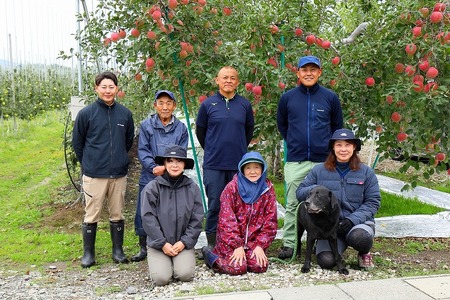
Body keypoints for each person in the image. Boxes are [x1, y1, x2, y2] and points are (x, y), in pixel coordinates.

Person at [276, 55, 343, 259]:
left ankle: (321, 241)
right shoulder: (287, 98)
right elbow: (283, 126)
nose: (309, 73)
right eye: (304, 70)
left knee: (325, 202)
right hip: (296, 160)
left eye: (313, 69)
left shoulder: (329, 98)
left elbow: (336, 127)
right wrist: (295, 143)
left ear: (320, 72)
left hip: (323, 161)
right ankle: (290, 244)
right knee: (293, 203)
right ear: (298, 73)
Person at [72, 71, 135, 268]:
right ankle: (88, 254)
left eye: (111, 87)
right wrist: (90, 163)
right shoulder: (86, 114)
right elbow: (78, 143)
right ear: (96, 88)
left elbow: (127, 142)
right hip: (94, 174)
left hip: (118, 174)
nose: (108, 91)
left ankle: (118, 251)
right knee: (92, 214)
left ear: (117, 89)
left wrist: (119, 159)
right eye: (104, 87)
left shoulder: (125, 114)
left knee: (117, 213)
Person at [296, 128, 381, 269]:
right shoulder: (318, 170)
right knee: (326, 261)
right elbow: (299, 193)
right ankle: (333, 249)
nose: (343, 149)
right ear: (333, 148)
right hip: (329, 226)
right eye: (339, 145)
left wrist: (352, 219)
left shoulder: (366, 172)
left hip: (356, 224)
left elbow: (373, 202)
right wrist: (316, 189)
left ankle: (363, 253)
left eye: (347, 145)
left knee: (360, 238)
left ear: (354, 147)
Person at [196, 66, 255, 248]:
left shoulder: (244, 105)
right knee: (215, 204)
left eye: (232, 78)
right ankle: (213, 245)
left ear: (237, 82)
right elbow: (201, 132)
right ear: (217, 81)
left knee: (240, 204)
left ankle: (238, 243)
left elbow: (248, 131)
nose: (228, 81)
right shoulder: (208, 105)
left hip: (238, 165)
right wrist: (214, 148)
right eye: (224, 78)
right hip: (214, 164)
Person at [131, 90, 188, 262]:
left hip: (172, 175)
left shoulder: (181, 128)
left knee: (171, 210)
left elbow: (181, 151)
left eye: (168, 103)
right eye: (161, 103)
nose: (165, 107)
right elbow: (143, 150)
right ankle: (143, 247)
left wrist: (168, 167)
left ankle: (170, 243)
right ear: (155, 105)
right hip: (150, 174)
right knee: (144, 210)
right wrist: (153, 167)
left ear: (174, 106)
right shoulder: (147, 125)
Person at [202, 152, 278, 275]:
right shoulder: (231, 188)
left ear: (262, 169)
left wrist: (260, 245)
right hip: (230, 242)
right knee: (238, 268)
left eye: (256, 167)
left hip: (253, 242)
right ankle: (210, 256)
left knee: (260, 266)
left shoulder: (267, 189)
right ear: (242, 169)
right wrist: (237, 245)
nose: (252, 171)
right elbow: (226, 221)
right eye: (248, 168)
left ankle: (247, 256)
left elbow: (271, 220)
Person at [141, 145, 204, 286]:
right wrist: (162, 243)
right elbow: (147, 218)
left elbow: (197, 218)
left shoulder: (192, 188)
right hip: (159, 244)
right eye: (170, 161)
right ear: (164, 164)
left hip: (182, 244)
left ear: (184, 165)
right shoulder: (152, 187)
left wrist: (184, 242)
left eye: (179, 161)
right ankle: (161, 262)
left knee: (185, 275)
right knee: (161, 279)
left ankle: (178, 262)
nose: (174, 165)